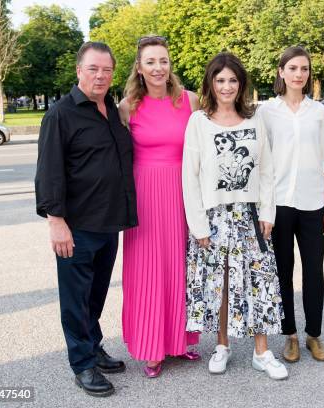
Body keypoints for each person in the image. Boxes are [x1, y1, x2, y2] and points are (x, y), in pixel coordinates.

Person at [35, 41, 137, 397]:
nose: (100, 75)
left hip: (109, 223)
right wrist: (55, 220)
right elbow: (49, 172)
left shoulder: (110, 108)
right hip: (76, 226)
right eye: (93, 69)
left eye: (107, 70)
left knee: (95, 295)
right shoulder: (60, 114)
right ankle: (82, 364)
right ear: (79, 71)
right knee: (76, 298)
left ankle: (93, 345)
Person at [182, 52, 288, 380]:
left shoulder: (255, 119)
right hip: (214, 218)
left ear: (240, 84)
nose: (226, 86)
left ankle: (262, 352)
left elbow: (267, 170)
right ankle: (222, 346)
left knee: (260, 283)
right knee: (220, 284)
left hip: (251, 216)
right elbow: (190, 176)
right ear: (210, 84)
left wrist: (268, 212)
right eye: (220, 80)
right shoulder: (198, 122)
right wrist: (198, 225)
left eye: (232, 80)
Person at [118, 35, 200, 378]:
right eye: (150, 61)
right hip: (145, 196)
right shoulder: (126, 107)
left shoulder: (190, 101)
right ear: (139, 67)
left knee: (180, 267)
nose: (158, 68)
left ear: (170, 65)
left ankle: (179, 341)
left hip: (181, 193)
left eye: (163, 60)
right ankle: (151, 348)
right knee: (147, 271)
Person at [258, 46, 324, 364]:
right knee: (283, 271)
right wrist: (264, 209)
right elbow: (262, 163)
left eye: (304, 69)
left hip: (313, 202)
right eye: (292, 68)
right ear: (281, 72)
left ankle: (313, 335)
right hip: (279, 204)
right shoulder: (266, 111)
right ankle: (289, 335)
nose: (298, 74)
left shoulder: (319, 112)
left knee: (314, 272)